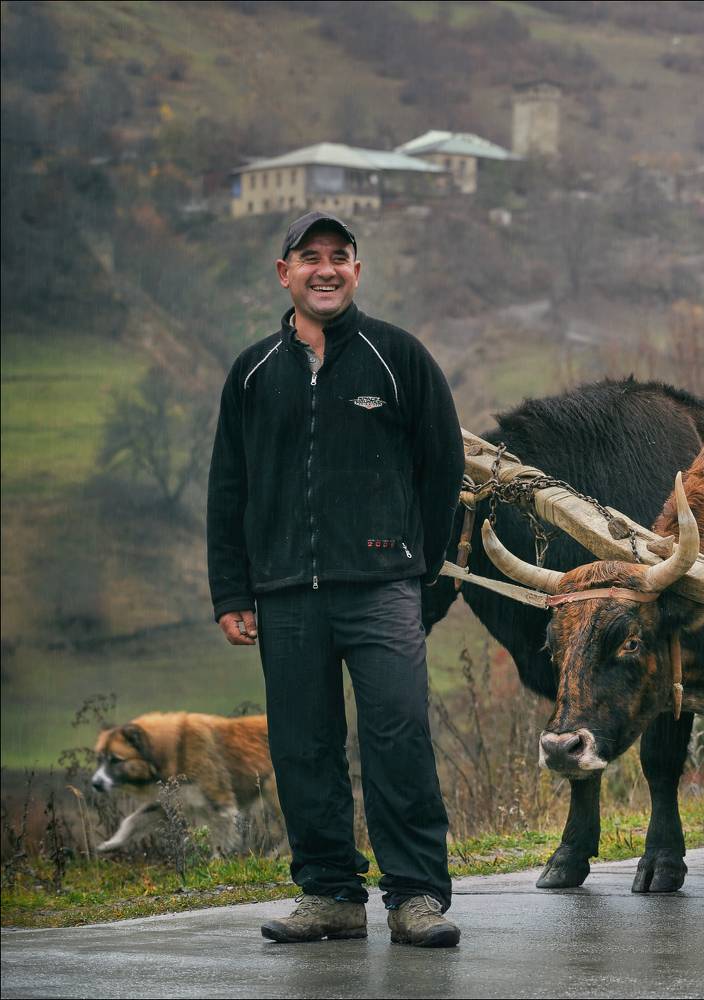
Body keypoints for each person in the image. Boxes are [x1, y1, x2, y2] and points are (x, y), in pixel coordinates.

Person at [207, 211, 465, 945]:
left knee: (399, 737)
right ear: (284, 273)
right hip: (285, 594)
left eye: (340, 257)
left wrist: (426, 577)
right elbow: (229, 487)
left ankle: (416, 896)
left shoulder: (397, 359)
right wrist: (232, 592)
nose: (326, 268)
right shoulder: (253, 373)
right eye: (309, 257)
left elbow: (441, 471)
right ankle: (330, 895)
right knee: (301, 745)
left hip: (383, 586)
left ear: (358, 271)